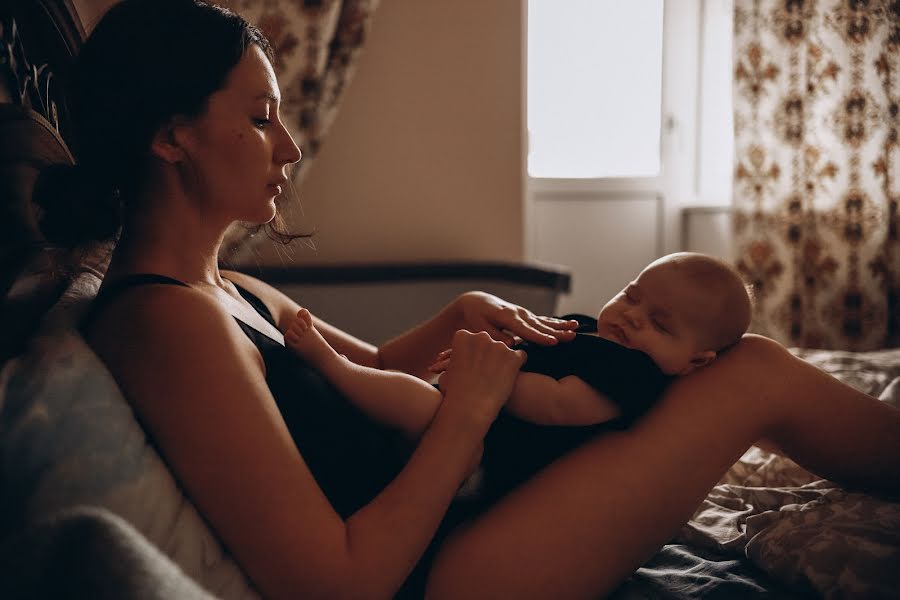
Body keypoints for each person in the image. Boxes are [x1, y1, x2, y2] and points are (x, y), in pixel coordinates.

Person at [36, 1, 900, 598]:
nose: (291, 147)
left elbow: (362, 371)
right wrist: (466, 416)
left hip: (461, 521)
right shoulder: (163, 319)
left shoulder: (227, 287)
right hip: (448, 572)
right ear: (169, 135)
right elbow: (338, 584)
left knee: (743, 371)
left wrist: (458, 316)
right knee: (753, 375)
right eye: (260, 118)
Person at [285, 252, 752, 430]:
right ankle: (346, 379)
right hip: (473, 409)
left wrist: (490, 380)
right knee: (416, 397)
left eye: (660, 324)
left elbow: (561, 405)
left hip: (484, 447)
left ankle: (335, 369)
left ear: (695, 362)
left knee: (418, 404)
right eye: (631, 296)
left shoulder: (636, 374)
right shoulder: (587, 328)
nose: (631, 317)